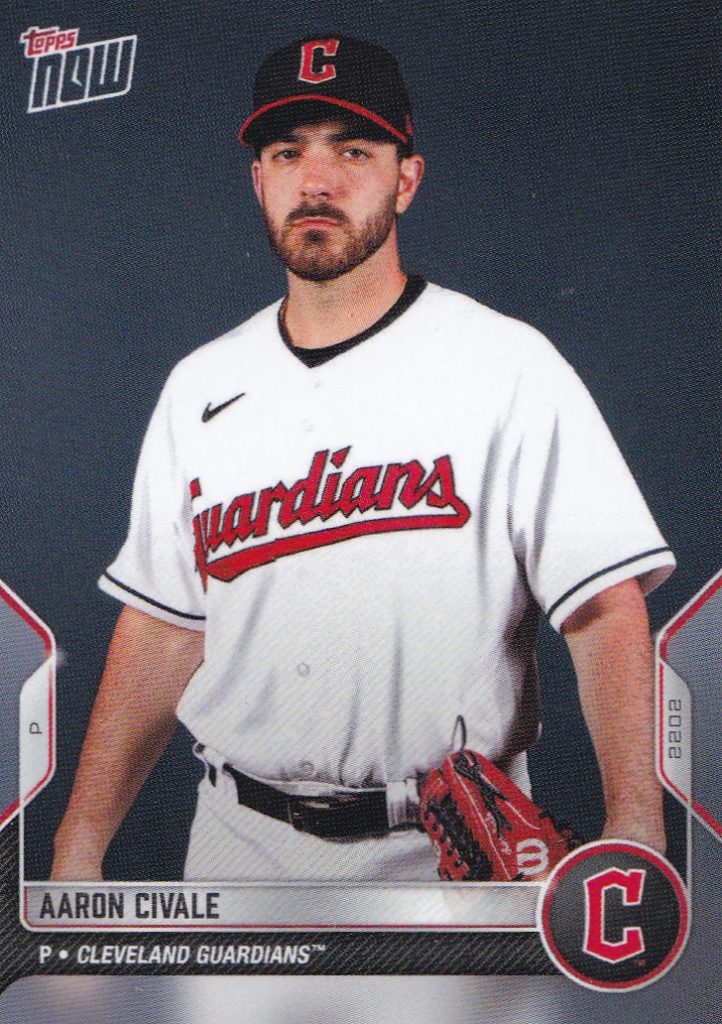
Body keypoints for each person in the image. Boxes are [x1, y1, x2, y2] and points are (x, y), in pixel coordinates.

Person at [51, 36, 675, 882]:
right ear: (259, 181)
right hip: (237, 841)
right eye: (288, 153)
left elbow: (602, 607)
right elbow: (163, 630)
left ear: (405, 179)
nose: (317, 181)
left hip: (455, 847)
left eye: (353, 151)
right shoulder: (201, 385)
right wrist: (79, 842)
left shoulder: (506, 363)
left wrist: (636, 820)